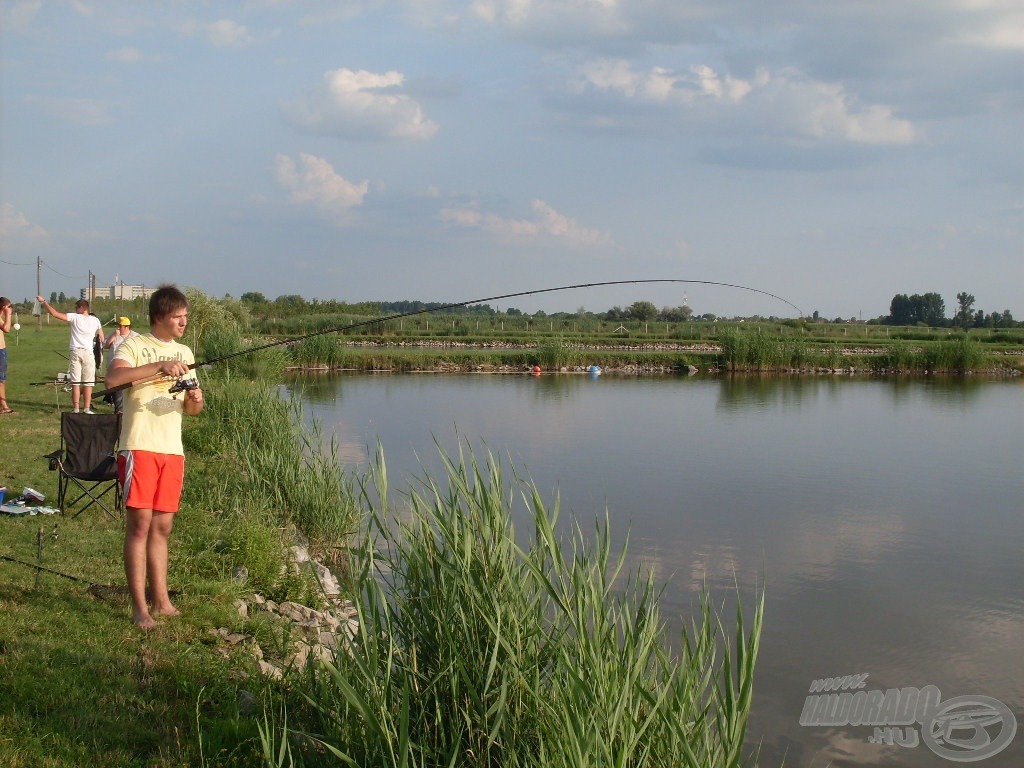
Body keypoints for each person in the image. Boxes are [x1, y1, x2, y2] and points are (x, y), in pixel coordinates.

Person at [106, 285, 204, 630]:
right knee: (140, 526)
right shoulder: (134, 345)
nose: (184, 322)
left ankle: (162, 601)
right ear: (160, 317)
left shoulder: (185, 350)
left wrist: (194, 395)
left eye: (186, 317)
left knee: (163, 526)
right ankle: (139, 608)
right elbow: (113, 379)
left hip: (171, 451)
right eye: (178, 317)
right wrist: (159, 366)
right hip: (139, 445)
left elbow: (194, 410)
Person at [37, 295, 105, 413]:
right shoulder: (95, 320)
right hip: (88, 352)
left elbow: (55, 314)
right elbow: (102, 337)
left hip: (76, 351)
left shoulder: (74, 317)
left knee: (75, 381)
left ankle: (76, 408)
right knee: (88, 382)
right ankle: (87, 408)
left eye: (76, 308)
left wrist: (44, 302)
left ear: (82, 308)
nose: (75, 310)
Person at [102, 316, 139, 413]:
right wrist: (114, 336)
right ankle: (118, 410)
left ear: (127, 327)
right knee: (116, 390)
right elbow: (105, 345)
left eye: (120, 326)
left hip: (130, 368)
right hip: (114, 368)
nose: (118, 328)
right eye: (118, 326)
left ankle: (127, 409)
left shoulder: (136, 337)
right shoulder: (114, 334)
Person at [0, 297, 13, 414]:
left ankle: (4, 406)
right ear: (4, 307)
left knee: (2, 380)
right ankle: (4, 406)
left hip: (2, 349)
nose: (10, 309)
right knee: (1, 380)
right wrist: (8, 315)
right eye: (8, 307)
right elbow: (7, 329)